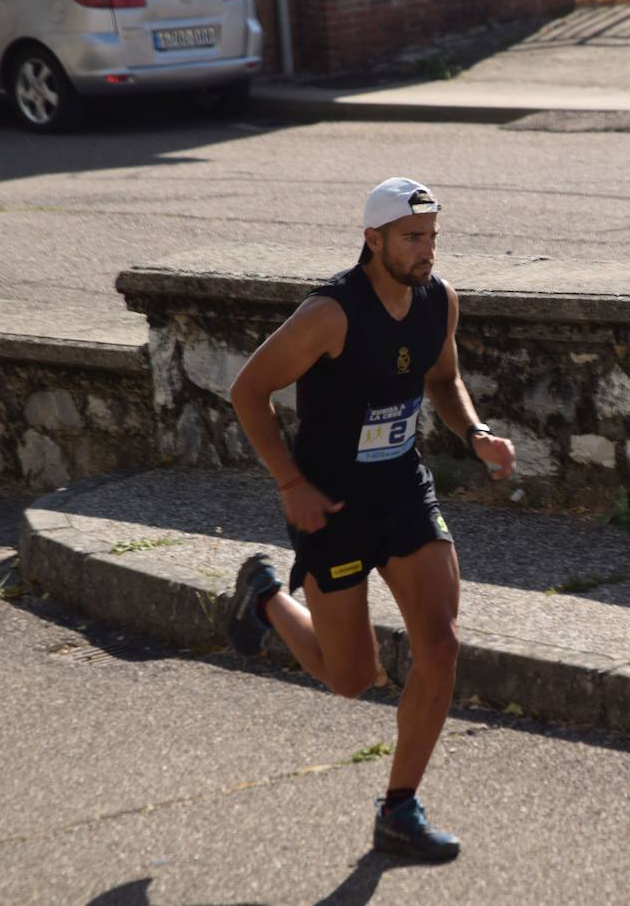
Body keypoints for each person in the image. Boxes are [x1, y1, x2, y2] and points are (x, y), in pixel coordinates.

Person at [225, 177, 515, 861]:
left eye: (433, 237)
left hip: (403, 491)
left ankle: (398, 809)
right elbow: (248, 391)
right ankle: (265, 596)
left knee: (440, 645)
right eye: (413, 238)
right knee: (353, 677)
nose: (426, 251)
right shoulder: (332, 314)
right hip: (333, 506)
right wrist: (290, 482)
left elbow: (442, 383)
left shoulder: (438, 301)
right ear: (373, 239)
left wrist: (474, 435)